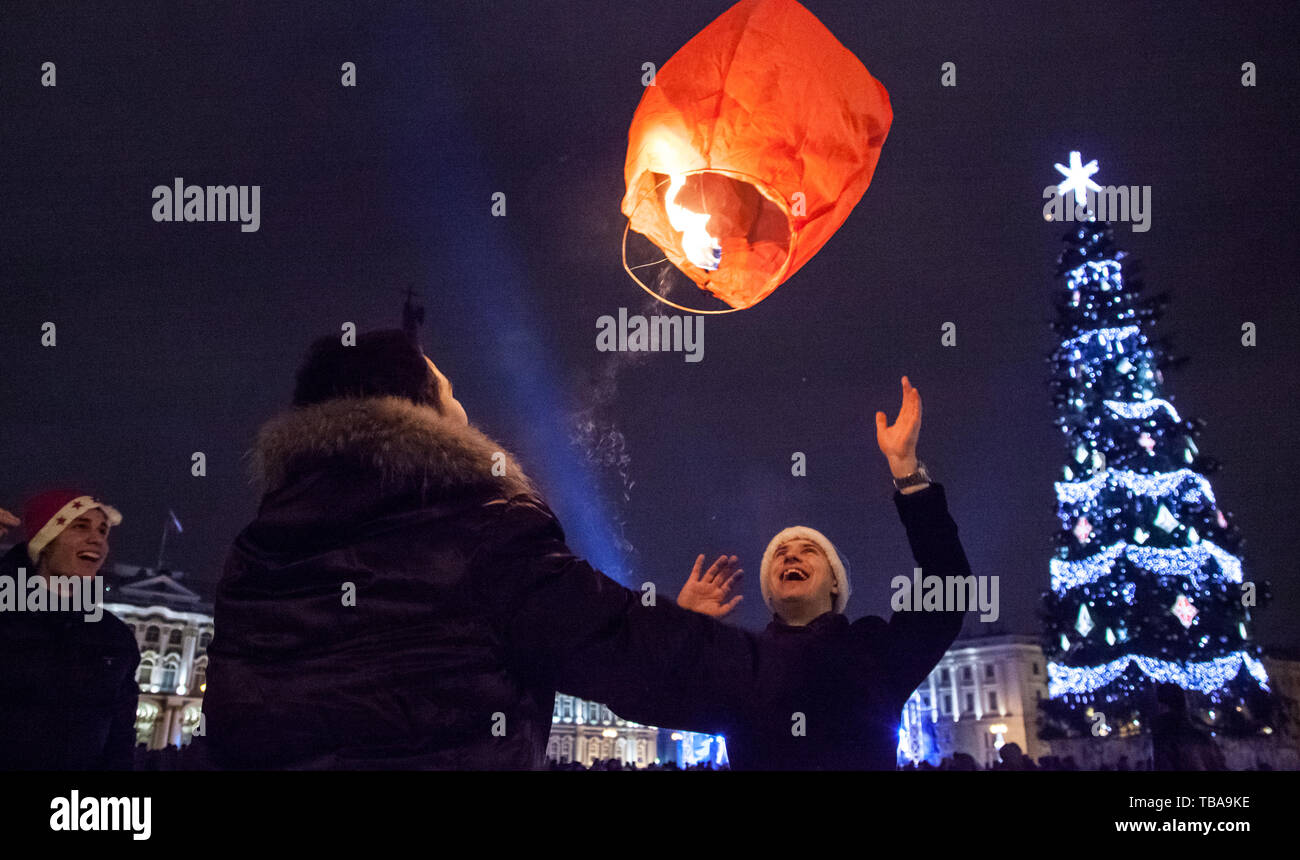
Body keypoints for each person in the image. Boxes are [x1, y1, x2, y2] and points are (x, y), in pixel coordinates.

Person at [197, 329, 756, 769]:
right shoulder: (483, 530)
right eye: (448, 390)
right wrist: (791, 669)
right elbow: (614, 646)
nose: (463, 405)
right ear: (417, 413)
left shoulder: (255, 551)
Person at [673, 376, 972, 768]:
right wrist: (681, 628)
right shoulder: (739, 662)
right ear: (768, 589)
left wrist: (907, 471)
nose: (790, 558)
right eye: (780, 554)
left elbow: (948, 584)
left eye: (808, 550)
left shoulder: (873, 649)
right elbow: (650, 695)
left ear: (835, 582)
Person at [0, 491, 140, 770]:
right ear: (45, 542)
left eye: (103, 530)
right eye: (80, 526)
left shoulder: (115, 636)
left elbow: (119, 737)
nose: (97, 538)